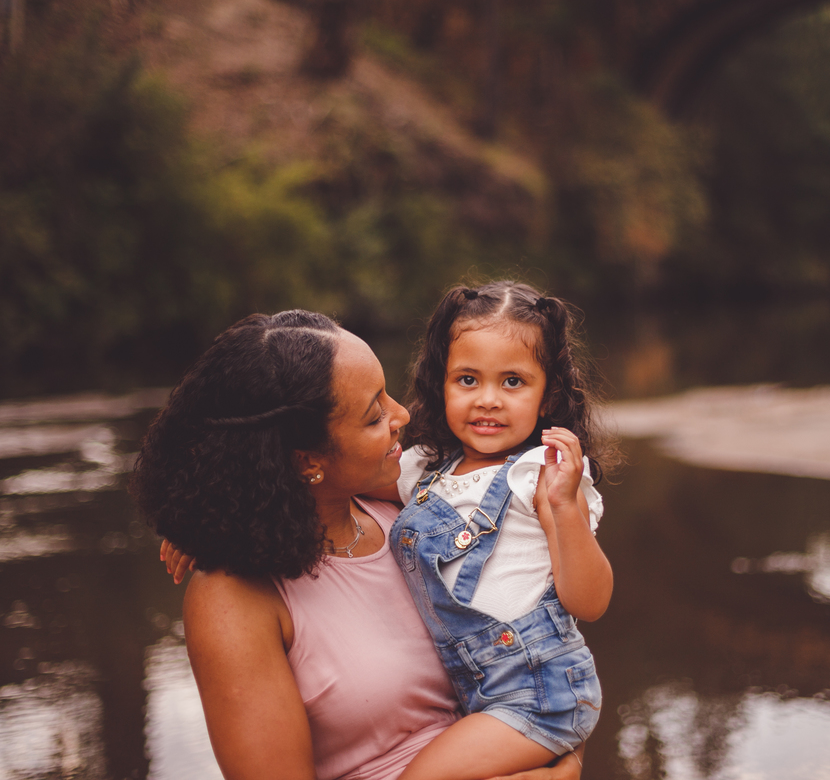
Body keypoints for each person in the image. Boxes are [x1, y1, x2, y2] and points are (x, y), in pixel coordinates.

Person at [132, 309, 583, 780]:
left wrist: (564, 763)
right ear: (308, 461)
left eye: (388, 395)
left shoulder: (418, 516)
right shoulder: (233, 597)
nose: (402, 415)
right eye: (374, 416)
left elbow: (546, 659)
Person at [384, 281, 614, 780]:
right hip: (470, 691)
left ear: (549, 395)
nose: (488, 400)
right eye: (467, 380)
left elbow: (591, 602)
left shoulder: (541, 475)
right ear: (440, 384)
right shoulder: (423, 468)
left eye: (513, 382)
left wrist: (564, 506)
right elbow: (339, 482)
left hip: (539, 691)